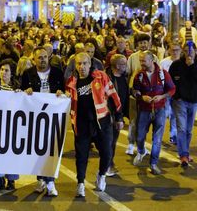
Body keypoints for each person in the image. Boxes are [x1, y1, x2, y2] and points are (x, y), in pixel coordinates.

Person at [66, 52, 123, 197]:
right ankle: (80, 183)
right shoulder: (71, 82)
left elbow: (114, 96)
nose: (82, 66)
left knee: (107, 152)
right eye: (79, 64)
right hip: (81, 124)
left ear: (90, 64)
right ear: (75, 65)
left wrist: (119, 117)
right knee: (81, 155)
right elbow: (66, 102)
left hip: (102, 122)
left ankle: (102, 175)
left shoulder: (101, 77)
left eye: (85, 63)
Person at [21, 47, 65, 196]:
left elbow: (65, 93)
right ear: (34, 59)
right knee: (38, 150)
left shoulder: (58, 73)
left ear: (49, 57)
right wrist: (25, 92)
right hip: (35, 118)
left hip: (54, 117)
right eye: (39, 57)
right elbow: (20, 94)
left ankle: (51, 182)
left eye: (45, 57)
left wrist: (61, 93)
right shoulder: (27, 74)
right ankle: (40, 180)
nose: (43, 60)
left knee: (52, 149)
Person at [132, 51, 175, 175]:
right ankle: (141, 150)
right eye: (140, 60)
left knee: (157, 139)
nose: (141, 63)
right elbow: (135, 91)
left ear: (152, 61)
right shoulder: (139, 75)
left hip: (159, 110)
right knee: (139, 136)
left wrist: (162, 96)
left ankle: (153, 163)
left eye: (143, 61)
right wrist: (141, 97)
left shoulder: (163, 74)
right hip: (144, 110)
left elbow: (172, 89)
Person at [0, 59, 21, 191]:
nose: (3, 72)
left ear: (12, 73)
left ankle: (11, 180)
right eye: (2, 69)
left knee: (11, 154)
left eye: (7, 70)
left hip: (12, 125)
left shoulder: (17, 87)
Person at [169, 42, 197, 167]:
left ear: (195, 51)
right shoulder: (176, 65)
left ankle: (185, 152)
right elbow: (170, 82)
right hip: (180, 101)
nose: (188, 53)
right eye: (185, 51)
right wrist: (176, 96)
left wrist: (191, 66)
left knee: (189, 129)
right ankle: (183, 155)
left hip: (193, 101)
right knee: (181, 128)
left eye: (190, 51)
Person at [105, 54, 129, 176]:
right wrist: (116, 117)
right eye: (124, 64)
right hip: (109, 116)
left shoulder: (124, 77)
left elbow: (124, 98)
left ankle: (109, 163)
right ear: (118, 65)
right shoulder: (106, 78)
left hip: (119, 115)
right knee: (109, 142)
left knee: (113, 141)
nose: (126, 66)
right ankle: (107, 165)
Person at [160, 42, 182, 145]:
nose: (175, 52)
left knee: (175, 116)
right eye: (173, 50)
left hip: (178, 94)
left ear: (180, 50)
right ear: (169, 50)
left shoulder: (183, 63)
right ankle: (159, 135)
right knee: (164, 115)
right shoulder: (164, 62)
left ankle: (173, 136)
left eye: (177, 50)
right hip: (166, 93)